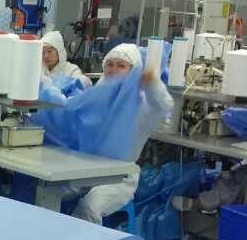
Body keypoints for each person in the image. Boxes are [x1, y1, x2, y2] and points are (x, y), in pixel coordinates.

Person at [72, 43, 174, 224]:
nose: (113, 70)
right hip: (86, 169)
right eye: (109, 64)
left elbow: (163, 106)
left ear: (133, 71)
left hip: (120, 178)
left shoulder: (141, 104)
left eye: (121, 65)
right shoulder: (96, 96)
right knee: (49, 190)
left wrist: (153, 84)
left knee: (89, 207)